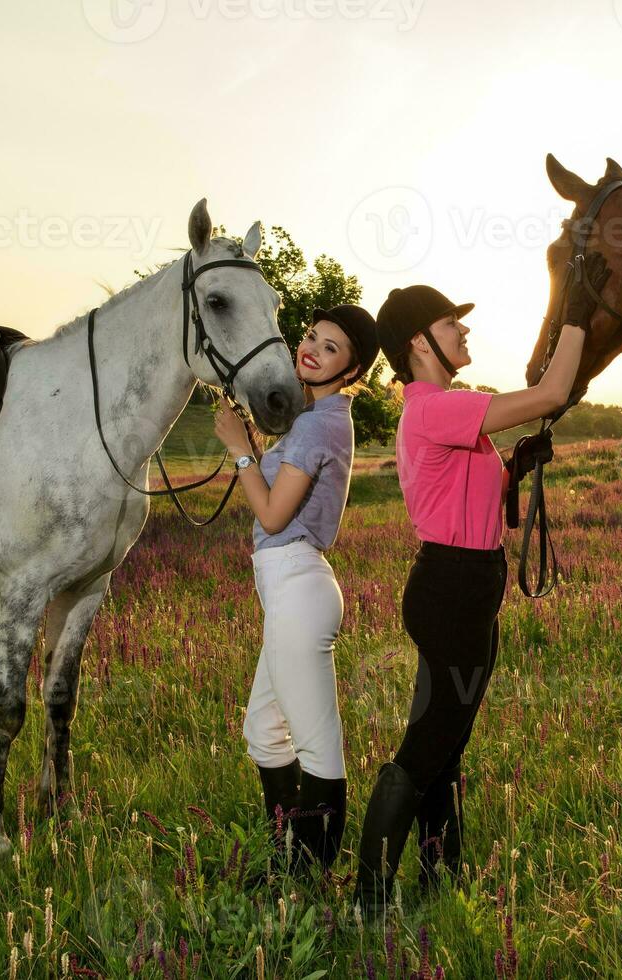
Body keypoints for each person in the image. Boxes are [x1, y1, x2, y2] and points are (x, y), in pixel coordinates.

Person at [355, 258, 610, 911]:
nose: (464, 333)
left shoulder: (440, 414)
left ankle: (440, 882)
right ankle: (368, 903)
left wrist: (518, 464)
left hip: (463, 589)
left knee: (446, 746)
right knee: (426, 749)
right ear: (420, 342)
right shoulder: (438, 409)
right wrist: (576, 309)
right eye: (452, 324)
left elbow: (482, 502)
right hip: (452, 593)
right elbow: (551, 394)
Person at [212, 304, 378, 872]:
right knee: (263, 728)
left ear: (351, 370)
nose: (312, 348)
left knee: (317, 746)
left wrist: (239, 449)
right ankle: (288, 859)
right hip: (289, 588)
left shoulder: (317, 424)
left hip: (297, 585)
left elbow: (273, 514)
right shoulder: (319, 419)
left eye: (331, 347)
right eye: (310, 336)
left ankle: (311, 879)